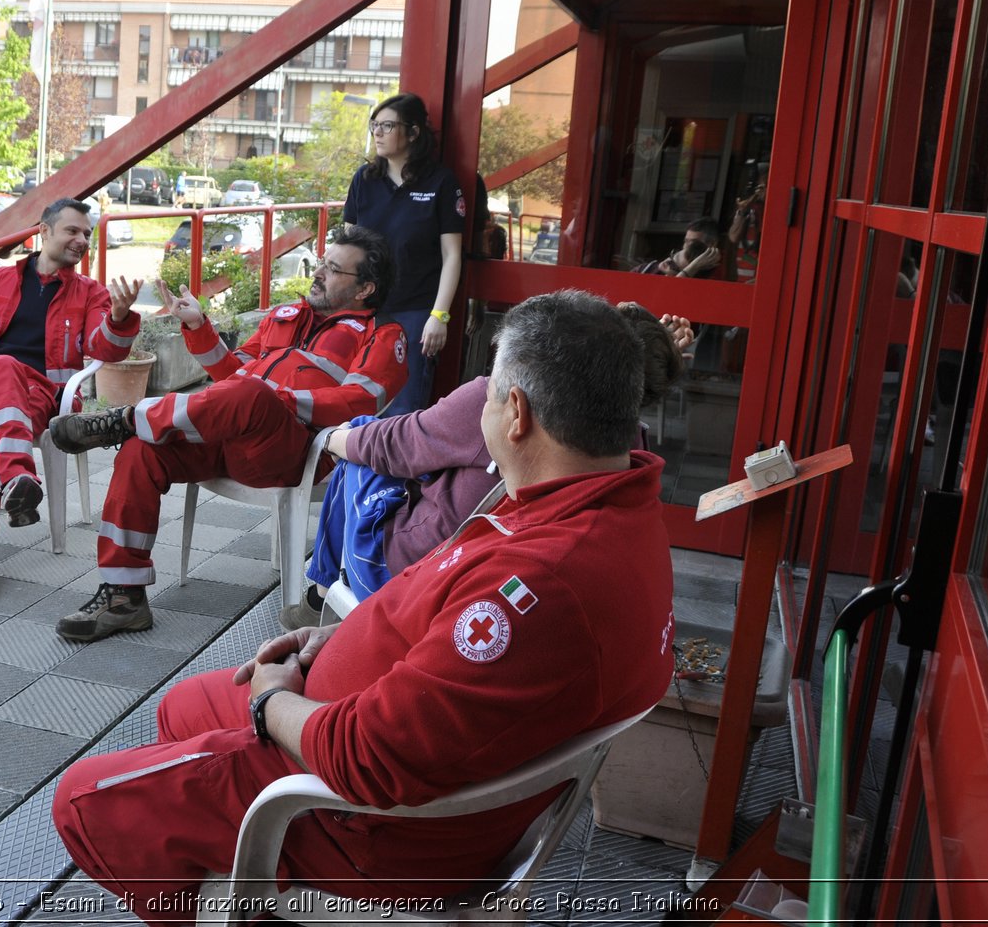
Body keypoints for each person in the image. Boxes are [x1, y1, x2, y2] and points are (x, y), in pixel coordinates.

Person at [51, 291, 676, 925]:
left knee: (80, 798)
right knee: (178, 707)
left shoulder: (540, 586)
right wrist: (342, 644)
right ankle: (226, 864)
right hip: (385, 738)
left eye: (486, 395)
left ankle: (246, 889)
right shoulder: (612, 507)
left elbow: (367, 760)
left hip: (366, 825)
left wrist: (272, 703)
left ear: (515, 413)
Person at [46, 225, 407, 643]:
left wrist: (279, 399)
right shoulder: (284, 316)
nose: (319, 272)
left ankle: (124, 418)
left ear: (364, 289)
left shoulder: (384, 335)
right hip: (231, 432)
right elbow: (232, 375)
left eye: (333, 269)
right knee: (143, 450)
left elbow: (359, 401)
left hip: (293, 451)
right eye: (322, 262)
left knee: (252, 394)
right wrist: (198, 326)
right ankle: (123, 596)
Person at [291, 303, 691, 624]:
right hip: (478, 574)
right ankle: (321, 590)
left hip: (422, 574)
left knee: (362, 439)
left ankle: (322, 591)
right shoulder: (631, 449)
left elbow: (396, 445)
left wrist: (329, 436)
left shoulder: (500, 403)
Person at [0, 198, 143, 599]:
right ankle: (15, 477)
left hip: (39, 396)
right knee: (2, 365)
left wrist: (118, 318)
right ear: (43, 232)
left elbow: (105, 348)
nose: (82, 241)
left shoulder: (90, 294)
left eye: (87, 234)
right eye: (72, 231)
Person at [342, 93, 464, 414]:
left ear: (412, 133)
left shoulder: (441, 182)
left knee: (405, 410)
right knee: (355, 404)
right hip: (365, 310)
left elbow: (452, 256)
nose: (377, 133)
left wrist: (439, 316)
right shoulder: (364, 180)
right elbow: (349, 245)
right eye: (374, 125)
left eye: (387, 125)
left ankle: (395, 468)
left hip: (415, 314)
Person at [637, 219, 722, 278]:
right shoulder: (650, 269)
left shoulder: (715, 272)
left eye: (693, 242)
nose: (686, 246)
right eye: (686, 241)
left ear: (712, 244)